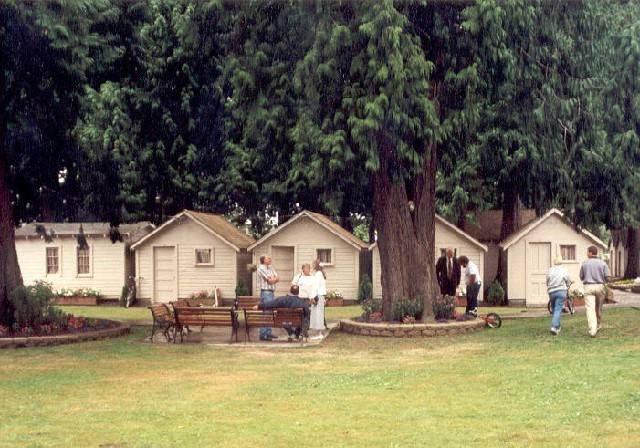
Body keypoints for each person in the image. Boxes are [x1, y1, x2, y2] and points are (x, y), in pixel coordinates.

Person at [579, 245, 610, 337]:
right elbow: (607, 277)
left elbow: (581, 277)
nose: (586, 253)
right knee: (599, 307)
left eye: (587, 252)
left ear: (590, 253)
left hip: (588, 287)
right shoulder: (603, 263)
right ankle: (599, 324)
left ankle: (593, 330)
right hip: (600, 286)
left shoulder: (584, 263)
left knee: (590, 309)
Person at [547, 256, 571, 335]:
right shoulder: (564, 270)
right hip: (561, 291)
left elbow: (547, 280)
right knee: (558, 309)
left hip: (551, 292)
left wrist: (548, 285)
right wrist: (568, 285)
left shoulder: (550, 270)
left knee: (554, 309)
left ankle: (557, 326)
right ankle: (554, 326)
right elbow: (568, 279)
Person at [257, 255, 279, 341]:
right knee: (266, 313)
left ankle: (268, 333)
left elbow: (278, 278)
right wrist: (273, 279)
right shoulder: (261, 268)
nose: (270, 259)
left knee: (270, 312)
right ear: (263, 260)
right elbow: (269, 281)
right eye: (268, 258)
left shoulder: (271, 268)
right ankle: (263, 334)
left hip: (271, 292)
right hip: (266, 292)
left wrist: (274, 279)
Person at [310, 259, 327, 337]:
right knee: (319, 314)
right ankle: (319, 332)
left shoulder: (318, 274)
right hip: (320, 296)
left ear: (316, 265)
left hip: (318, 296)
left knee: (318, 314)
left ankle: (320, 333)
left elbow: (316, 287)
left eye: (313, 264)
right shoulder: (320, 274)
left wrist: (312, 297)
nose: (312, 266)